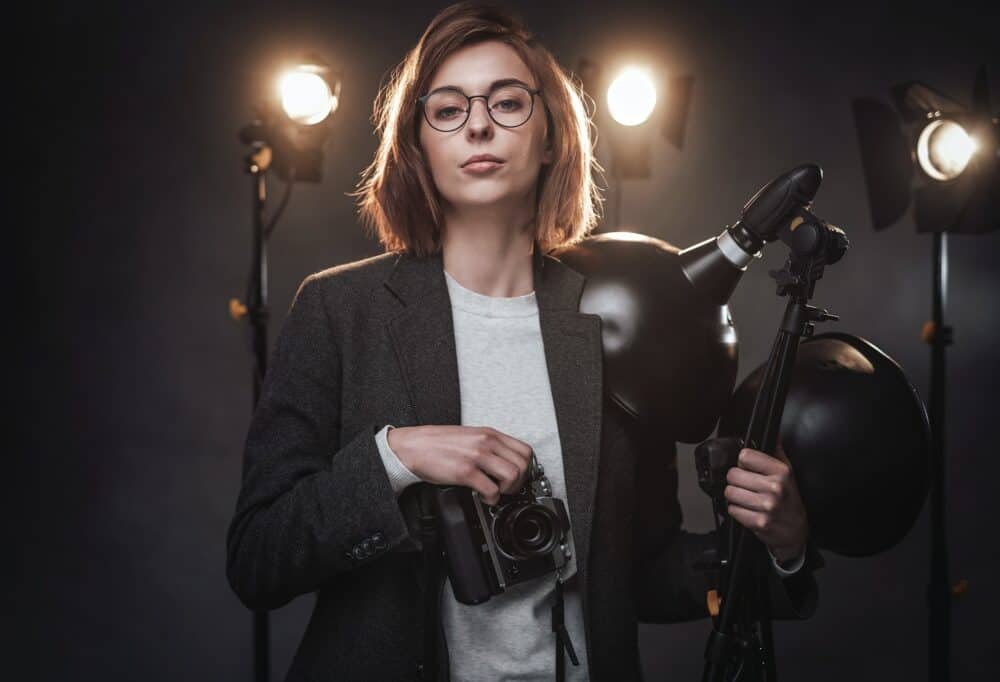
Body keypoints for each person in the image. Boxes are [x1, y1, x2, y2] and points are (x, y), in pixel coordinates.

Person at [225, 3, 818, 681]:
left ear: (552, 138)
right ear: (417, 144)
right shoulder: (337, 310)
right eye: (447, 109)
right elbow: (257, 560)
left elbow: (645, 574)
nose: (478, 123)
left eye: (507, 102)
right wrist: (396, 456)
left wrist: (786, 548)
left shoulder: (617, 318)